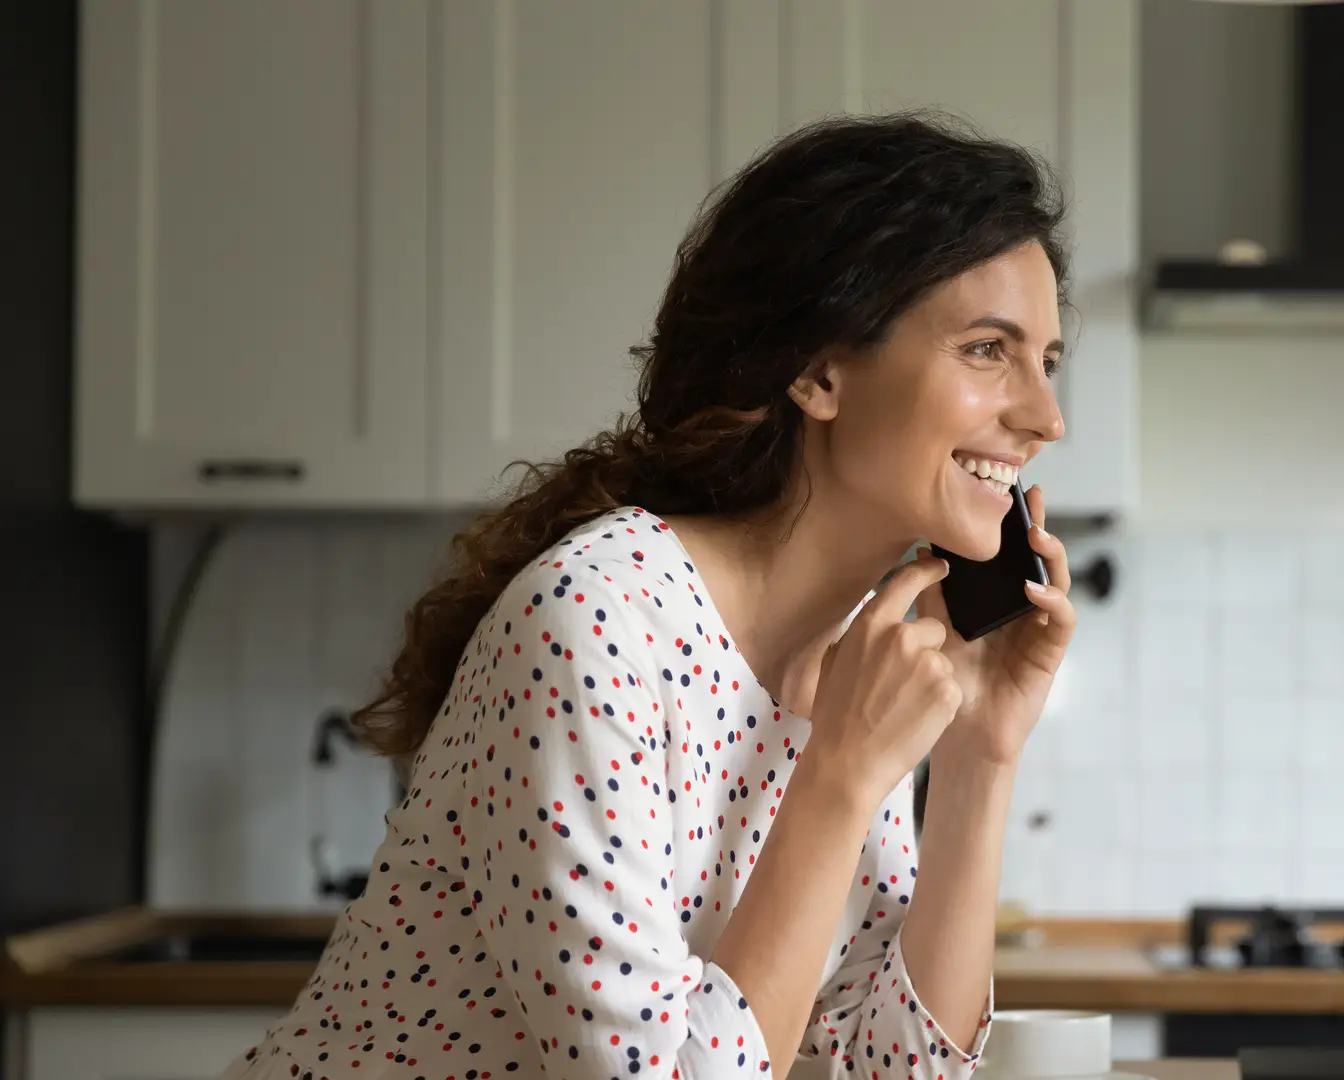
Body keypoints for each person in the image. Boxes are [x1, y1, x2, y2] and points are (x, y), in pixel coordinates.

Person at [219, 110, 1078, 1080]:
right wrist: (836, 777)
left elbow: (887, 1070)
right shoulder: (596, 623)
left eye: (1047, 361)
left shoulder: (852, 659)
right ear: (818, 370)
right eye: (986, 350)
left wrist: (978, 756)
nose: (1045, 416)